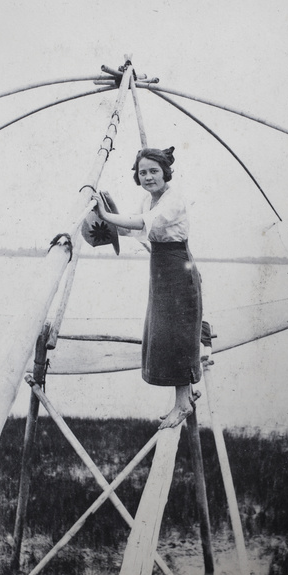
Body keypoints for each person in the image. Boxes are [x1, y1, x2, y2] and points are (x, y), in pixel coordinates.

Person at [92, 146, 202, 429]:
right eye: (143, 172)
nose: (149, 177)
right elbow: (133, 229)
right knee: (164, 332)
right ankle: (185, 397)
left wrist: (106, 214)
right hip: (161, 268)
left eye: (154, 171)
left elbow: (142, 223)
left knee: (176, 334)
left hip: (178, 267)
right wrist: (105, 216)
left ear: (166, 173)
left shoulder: (173, 199)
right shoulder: (147, 200)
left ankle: (182, 404)